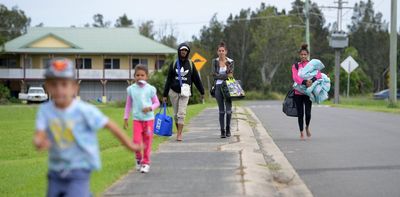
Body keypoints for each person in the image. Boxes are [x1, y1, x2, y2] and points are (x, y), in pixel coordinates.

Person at [33, 57, 142, 197]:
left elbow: (109, 125)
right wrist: (39, 142)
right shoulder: (45, 110)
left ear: (74, 87)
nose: (59, 89)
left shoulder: (84, 110)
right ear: (47, 87)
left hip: (79, 168)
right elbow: (40, 133)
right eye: (54, 85)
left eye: (64, 84)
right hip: (55, 170)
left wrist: (130, 146)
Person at [162, 43, 205, 141]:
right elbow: (168, 80)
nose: (183, 52)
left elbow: (196, 79)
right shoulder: (174, 64)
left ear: (188, 52)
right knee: (176, 114)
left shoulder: (190, 64)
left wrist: (202, 91)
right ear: (179, 51)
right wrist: (165, 95)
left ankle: (179, 134)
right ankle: (179, 131)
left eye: (185, 50)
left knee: (181, 113)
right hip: (173, 92)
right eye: (182, 50)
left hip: (185, 92)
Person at [124, 64, 160, 173]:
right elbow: (128, 105)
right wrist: (126, 117)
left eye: (142, 75)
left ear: (146, 77)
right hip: (137, 120)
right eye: (137, 75)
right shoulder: (131, 89)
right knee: (136, 141)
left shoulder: (150, 89)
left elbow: (157, 103)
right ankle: (138, 158)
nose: (140, 77)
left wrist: (150, 108)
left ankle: (146, 163)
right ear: (134, 76)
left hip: (149, 120)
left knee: (147, 141)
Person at [291, 44, 322, 140]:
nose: (303, 56)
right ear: (299, 55)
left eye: (305, 54)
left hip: (308, 92)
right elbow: (295, 77)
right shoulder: (295, 66)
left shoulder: (312, 65)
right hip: (298, 93)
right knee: (300, 113)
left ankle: (307, 127)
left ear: (308, 55)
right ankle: (301, 132)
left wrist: (311, 81)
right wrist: (304, 82)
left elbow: (319, 74)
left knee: (308, 113)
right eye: (302, 54)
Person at [212, 42, 234, 138]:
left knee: (228, 111)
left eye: (223, 51)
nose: (221, 52)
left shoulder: (230, 62)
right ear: (217, 52)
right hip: (217, 87)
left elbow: (230, 75)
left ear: (226, 52)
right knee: (221, 111)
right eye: (219, 51)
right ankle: (222, 131)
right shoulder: (214, 62)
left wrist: (219, 76)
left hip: (228, 87)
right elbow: (213, 75)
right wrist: (224, 76)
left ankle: (228, 129)